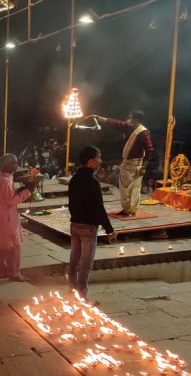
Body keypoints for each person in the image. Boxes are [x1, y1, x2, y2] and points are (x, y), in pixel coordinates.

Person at [68, 145, 118, 299]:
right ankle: (81, 293)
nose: (100, 161)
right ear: (90, 162)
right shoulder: (92, 181)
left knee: (74, 259)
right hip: (88, 228)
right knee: (85, 263)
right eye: (98, 158)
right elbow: (98, 208)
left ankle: (72, 288)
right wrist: (110, 229)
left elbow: (71, 203)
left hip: (75, 225)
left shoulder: (74, 179)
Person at [89, 110, 154, 216]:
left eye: (130, 117)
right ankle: (127, 209)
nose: (128, 119)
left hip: (135, 165)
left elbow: (149, 149)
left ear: (136, 120)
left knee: (133, 189)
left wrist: (144, 167)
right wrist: (98, 117)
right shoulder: (130, 127)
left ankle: (130, 210)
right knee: (125, 189)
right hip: (127, 163)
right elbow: (116, 123)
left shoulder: (143, 132)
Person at [0, 153, 31, 282]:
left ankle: (4, 271)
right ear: (8, 165)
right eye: (14, 163)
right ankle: (14, 273)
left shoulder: (3, 177)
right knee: (13, 246)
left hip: (2, 216)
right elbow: (10, 200)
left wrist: (19, 187)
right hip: (7, 217)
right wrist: (27, 192)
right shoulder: (5, 180)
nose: (16, 166)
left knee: (3, 245)